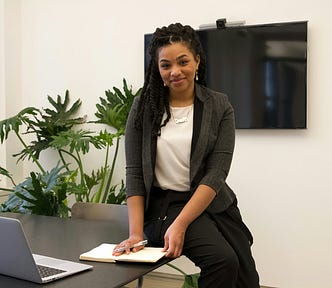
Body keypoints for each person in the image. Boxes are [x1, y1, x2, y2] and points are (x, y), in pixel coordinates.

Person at [113, 23, 260, 288]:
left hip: (207, 202)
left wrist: (181, 224)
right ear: (157, 69)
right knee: (223, 261)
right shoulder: (143, 105)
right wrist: (135, 233)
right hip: (161, 206)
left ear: (197, 61)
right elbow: (134, 171)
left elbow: (217, 173)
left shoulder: (219, 105)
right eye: (165, 65)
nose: (175, 71)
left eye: (183, 62)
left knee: (241, 272)